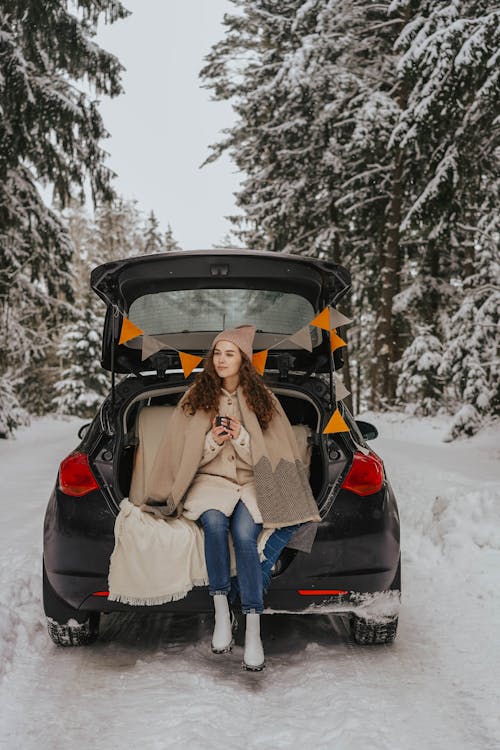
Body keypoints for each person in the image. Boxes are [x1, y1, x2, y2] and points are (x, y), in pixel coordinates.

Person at [142, 324, 320, 671]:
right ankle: (222, 611)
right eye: (217, 353)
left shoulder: (263, 399)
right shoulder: (196, 395)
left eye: (230, 353)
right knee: (213, 522)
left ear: (244, 360)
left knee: (243, 535)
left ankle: (253, 628)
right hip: (210, 482)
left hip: (252, 483)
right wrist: (212, 440)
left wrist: (240, 438)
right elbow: (182, 454)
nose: (221, 360)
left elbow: (272, 454)